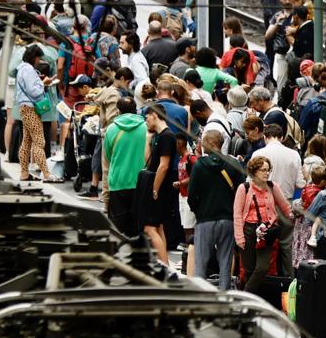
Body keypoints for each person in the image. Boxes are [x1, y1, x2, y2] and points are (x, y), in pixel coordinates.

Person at [187, 130, 246, 290]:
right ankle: (224, 297)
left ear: (210, 143)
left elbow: (192, 196)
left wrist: (198, 211)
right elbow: (241, 191)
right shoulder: (233, 164)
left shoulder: (199, 165)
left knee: (201, 263)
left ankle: (201, 298)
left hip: (205, 219)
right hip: (227, 219)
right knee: (225, 263)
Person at [232, 154, 292, 307]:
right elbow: (237, 214)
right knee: (249, 269)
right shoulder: (244, 188)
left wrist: (293, 216)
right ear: (254, 171)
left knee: (263, 267)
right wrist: (239, 237)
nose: (266, 173)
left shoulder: (272, 187)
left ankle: (244, 298)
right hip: (249, 230)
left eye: (268, 170)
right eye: (263, 170)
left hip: (267, 231)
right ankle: (254, 304)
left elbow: (285, 207)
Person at [142, 102, 184, 267]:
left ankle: (164, 264)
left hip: (159, 187)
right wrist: (148, 139)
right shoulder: (159, 136)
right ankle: (163, 263)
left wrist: (154, 189)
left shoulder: (167, 136)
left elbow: (164, 165)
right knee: (157, 226)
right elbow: (149, 161)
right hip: (156, 184)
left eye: (147, 118)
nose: (146, 121)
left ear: (154, 115)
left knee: (149, 228)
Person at [101, 97, 149, 242]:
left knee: (117, 227)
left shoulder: (111, 129)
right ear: (136, 110)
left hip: (118, 181)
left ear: (118, 111)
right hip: (140, 182)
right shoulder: (146, 127)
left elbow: (107, 157)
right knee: (137, 224)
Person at [13, 45, 56, 181]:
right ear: (34, 57)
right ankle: (46, 174)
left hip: (24, 107)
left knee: (26, 141)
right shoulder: (29, 70)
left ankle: (24, 173)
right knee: (39, 141)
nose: (39, 61)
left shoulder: (21, 68)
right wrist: (44, 84)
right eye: (38, 58)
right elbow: (34, 91)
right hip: (31, 108)